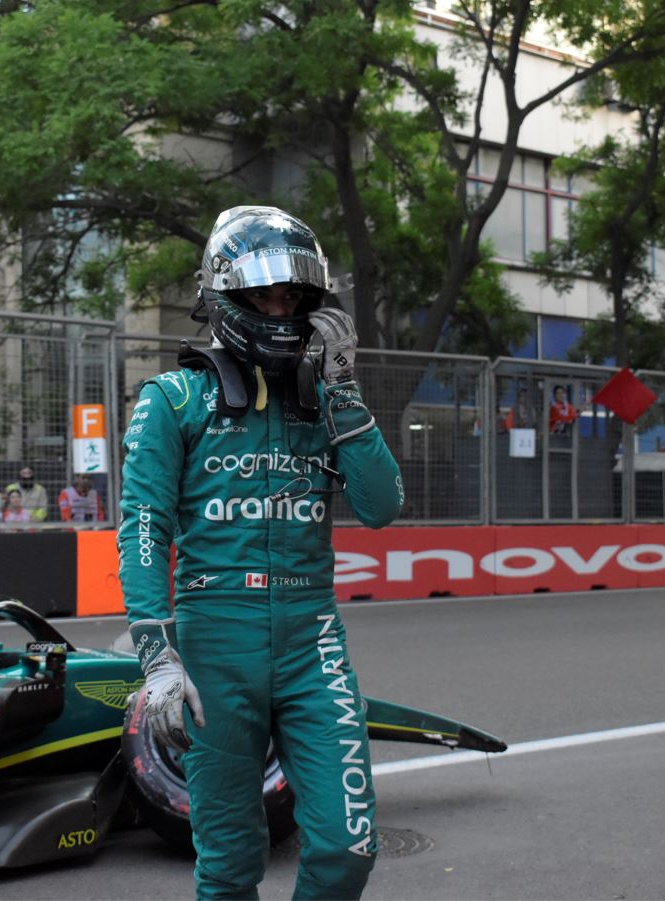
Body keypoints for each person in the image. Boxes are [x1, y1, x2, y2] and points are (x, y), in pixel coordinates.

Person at [117, 205, 403, 899]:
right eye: (263, 296)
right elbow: (143, 527)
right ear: (222, 295)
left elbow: (381, 507)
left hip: (312, 639)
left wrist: (343, 388)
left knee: (347, 846)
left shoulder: (325, 400)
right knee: (229, 863)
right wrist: (157, 656)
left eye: (293, 297)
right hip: (213, 645)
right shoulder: (172, 399)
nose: (281, 310)